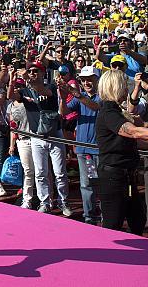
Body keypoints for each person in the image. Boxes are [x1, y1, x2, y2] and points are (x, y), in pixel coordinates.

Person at [94, 70, 148, 234]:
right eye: (124, 86)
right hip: (113, 177)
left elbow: (129, 140)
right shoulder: (109, 113)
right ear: (116, 87)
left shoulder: (117, 112)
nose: (126, 90)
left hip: (126, 176)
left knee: (137, 219)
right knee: (113, 224)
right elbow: (133, 132)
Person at [8, 61, 72, 215]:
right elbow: (10, 96)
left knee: (59, 172)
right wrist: (11, 79)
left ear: (43, 73)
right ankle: (45, 202)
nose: (32, 74)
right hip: (36, 137)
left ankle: (63, 201)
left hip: (54, 135)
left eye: (36, 71)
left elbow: (44, 92)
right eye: (30, 72)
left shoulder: (49, 86)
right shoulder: (24, 91)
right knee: (40, 172)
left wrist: (29, 81)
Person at [59, 66, 102, 224]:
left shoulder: (102, 96)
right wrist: (64, 98)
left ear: (97, 79)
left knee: (100, 184)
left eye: (90, 78)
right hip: (85, 151)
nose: (86, 82)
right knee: (87, 184)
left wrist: (75, 94)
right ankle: (89, 216)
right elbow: (63, 113)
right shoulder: (79, 97)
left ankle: (105, 216)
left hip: (99, 150)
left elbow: (95, 107)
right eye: (83, 79)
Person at [7, 75, 35, 209]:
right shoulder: (11, 106)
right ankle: (27, 199)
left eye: (20, 86)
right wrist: (12, 145)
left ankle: (47, 199)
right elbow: (13, 126)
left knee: (42, 171)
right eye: (15, 86)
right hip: (22, 141)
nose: (17, 89)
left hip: (35, 138)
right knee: (28, 170)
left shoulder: (29, 101)